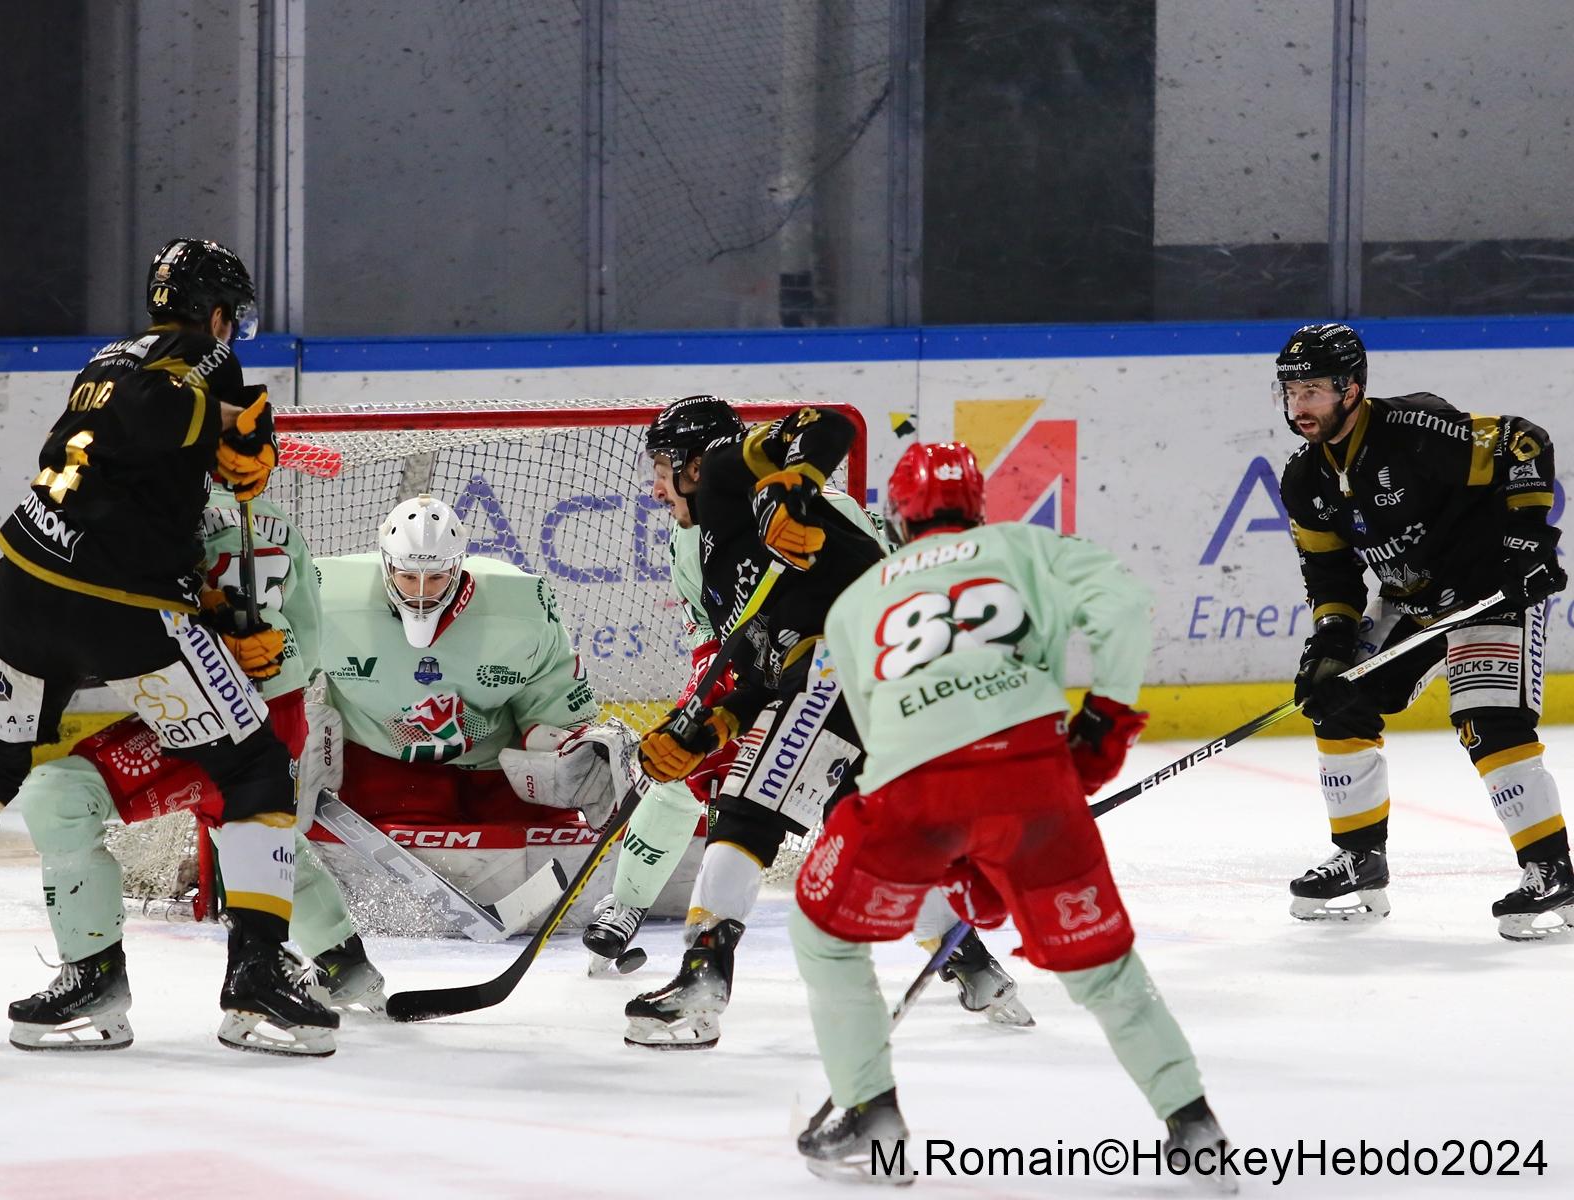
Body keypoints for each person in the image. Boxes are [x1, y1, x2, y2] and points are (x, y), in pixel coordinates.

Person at [0, 237, 339, 1056]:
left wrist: (215, 599)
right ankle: (255, 978)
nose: (232, 338)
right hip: (119, 608)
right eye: (232, 321)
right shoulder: (200, 355)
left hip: (24, 585)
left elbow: (129, 472)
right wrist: (236, 429)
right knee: (254, 766)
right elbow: (158, 416)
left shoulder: (106, 356)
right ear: (214, 312)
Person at [792, 441, 1229, 1185]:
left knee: (824, 936)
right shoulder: (1026, 546)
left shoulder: (855, 602)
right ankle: (1193, 1125)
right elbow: (1123, 604)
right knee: (1106, 971)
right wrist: (1106, 718)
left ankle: (872, 1115)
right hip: (1033, 783)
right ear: (977, 508)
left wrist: (953, 854)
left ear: (897, 521)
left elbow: (887, 742)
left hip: (914, 792)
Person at [622, 397, 1029, 1051]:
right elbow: (760, 681)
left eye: (665, 465)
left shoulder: (733, 478)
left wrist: (792, 484)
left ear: (696, 462)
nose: (656, 484)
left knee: (746, 815)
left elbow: (831, 424)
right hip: (869, 691)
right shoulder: (721, 568)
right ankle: (977, 971)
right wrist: (703, 734)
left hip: (854, 672)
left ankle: (701, 987)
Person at [5, 484, 384, 1051]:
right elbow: (307, 633)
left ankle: (95, 978)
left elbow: (122, 634)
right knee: (243, 829)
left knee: (57, 798)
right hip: (263, 711)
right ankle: (342, 961)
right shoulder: (269, 517)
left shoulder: (139, 520)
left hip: (222, 717)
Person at [1275, 323, 1570, 938]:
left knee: (1487, 719)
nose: (1299, 406)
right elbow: (1329, 572)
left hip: (1491, 591)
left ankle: (1552, 870)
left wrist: (1528, 543)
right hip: (1413, 600)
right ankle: (1360, 858)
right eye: (1292, 392)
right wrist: (1331, 642)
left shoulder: (1414, 430)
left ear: (1352, 389)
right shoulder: (1305, 478)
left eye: (1313, 392)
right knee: (1336, 701)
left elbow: (1523, 441)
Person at [309, 495, 632, 869]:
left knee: (545, 844)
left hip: (494, 763)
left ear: (458, 566)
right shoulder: (325, 596)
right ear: (386, 565)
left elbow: (552, 695)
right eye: (408, 576)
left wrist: (570, 744)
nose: (421, 592)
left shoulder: (523, 605)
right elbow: (284, 677)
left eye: (436, 577)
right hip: (382, 759)